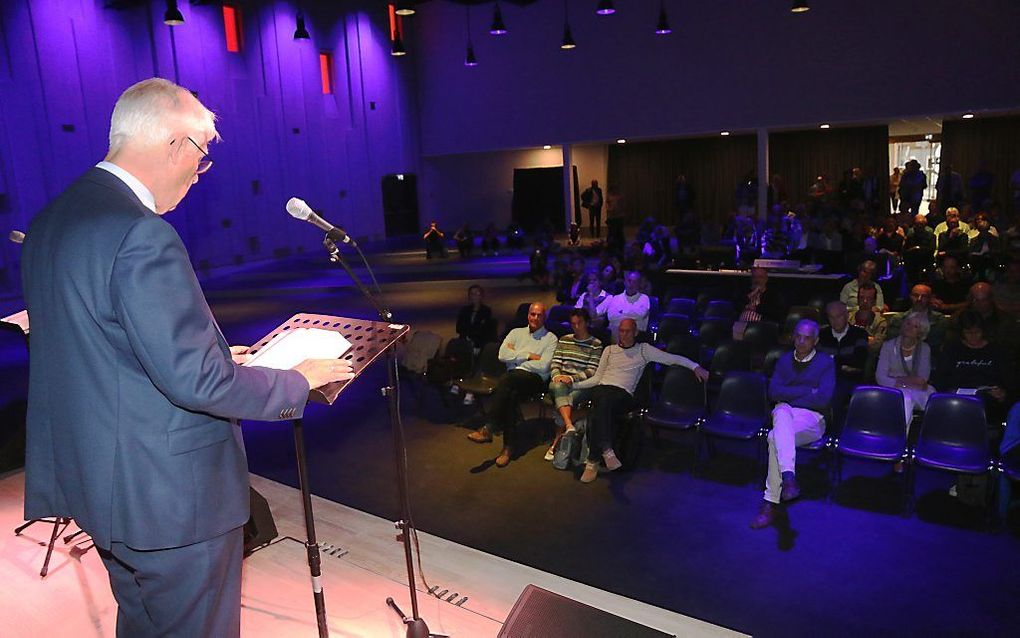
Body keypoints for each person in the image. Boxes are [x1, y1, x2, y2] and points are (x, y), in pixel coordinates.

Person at [20, 78, 352, 636]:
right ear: (175, 143)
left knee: (145, 623)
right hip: (170, 500)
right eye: (202, 156)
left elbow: (99, 345)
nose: (200, 175)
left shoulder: (54, 221)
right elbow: (196, 381)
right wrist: (297, 379)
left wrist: (221, 353)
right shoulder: (141, 233)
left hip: (101, 485)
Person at [572, 318, 708, 482]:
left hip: (623, 395)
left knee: (600, 402)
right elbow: (597, 378)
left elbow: (672, 358)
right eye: (621, 331)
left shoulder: (644, 350)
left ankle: (594, 459)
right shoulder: (609, 350)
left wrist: (695, 366)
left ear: (636, 332)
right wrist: (574, 385)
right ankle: (605, 453)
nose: (624, 334)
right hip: (603, 391)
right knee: (599, 403)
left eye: (628, 331)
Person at [750, 320, 835, 529]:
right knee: (779, 413)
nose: (801, 341)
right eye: (798, 336)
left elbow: (823, 399)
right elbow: (773, 392)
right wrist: (808, 391)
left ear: (815, 341)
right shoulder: (784, 360)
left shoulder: (826, 363)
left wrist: (790, 395)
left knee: (774, 434)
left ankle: (770, 502)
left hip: (813, 418)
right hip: (786, 413)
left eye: (807, 338)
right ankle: (787, 479)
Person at [467, 303, 557, 467]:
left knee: (508, 379)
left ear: (545, 317)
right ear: (528, 315)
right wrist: (529, 356)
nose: (535, 318)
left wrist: (515, 359)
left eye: (539, 315)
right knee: (510, 395)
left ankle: (490, 427)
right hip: (513, 380)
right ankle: (508, 448)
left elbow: (544, 366)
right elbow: (502, 355)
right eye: (532, 314)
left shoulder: (551, 338)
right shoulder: (516, 333)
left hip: (534, 380)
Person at [544, 309, 604, 460]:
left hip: (581, 385)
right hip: (560, 382)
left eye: (580, 323)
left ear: (587, 323)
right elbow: (555, 363)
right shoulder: (564, 340)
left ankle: (557, 442)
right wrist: (558, 376)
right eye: (573, 324)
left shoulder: (596, 344)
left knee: (563, 400)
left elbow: (592, 370)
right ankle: (569, 426)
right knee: (557, 387)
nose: (576, 327)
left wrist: (572, 379)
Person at [876, 311, 936, 427]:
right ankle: (901, 436)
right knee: (905, 399)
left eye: (915, 326)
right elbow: (881, 377)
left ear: (921, 332)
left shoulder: (924, 349)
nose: (909, 328)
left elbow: (923, 379)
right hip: (893, 389)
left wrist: (897, 379)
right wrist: (905, 384)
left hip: (918, 391)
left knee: (928, 397)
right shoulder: (888, 346)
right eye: (908, 323)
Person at [886, 284, 948, 350]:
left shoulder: (938, 319)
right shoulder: (898, 319)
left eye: (924, 296)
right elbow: (893, 341)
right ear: (910, 296)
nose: (919, 299)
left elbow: (935, 342)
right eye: (915, 295)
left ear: (930, 298)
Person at [596, 270, 651, 340]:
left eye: (635, 282)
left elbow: (640, 315)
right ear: (625, 282)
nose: (631, 284)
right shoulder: (616, 298)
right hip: (614, 332)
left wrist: (621, 312)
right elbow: (611, 317)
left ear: (639, 284)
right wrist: (631, 315)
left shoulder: (644, 298)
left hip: (635, 334)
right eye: (629, 281)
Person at [733, 266, 785, 340]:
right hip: (742, 324)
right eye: (754, 277)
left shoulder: (772, 294)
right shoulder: (745, 292)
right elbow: (736, 305)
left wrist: (756, 308)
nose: (757, 280)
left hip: (762, 325)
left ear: (766, 279)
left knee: (752, 333)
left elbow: (776, 313)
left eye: (760, 277)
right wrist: (751, 295)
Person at [455, 284, 495, 352]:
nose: (474, 296)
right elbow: (459, 328)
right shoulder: (464, 310)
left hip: (480, 344)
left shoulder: (486, 311)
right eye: (472, 294)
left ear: (481, 296)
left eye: (477, 294)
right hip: (464, 343)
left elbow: (485, 330)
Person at [851, 283, 888, 349]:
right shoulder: (848, 318)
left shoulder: (880, 322)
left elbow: (877, 344)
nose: (865, 301)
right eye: (862, 297)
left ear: (874, 301)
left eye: (869, 298)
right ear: (857, 299)